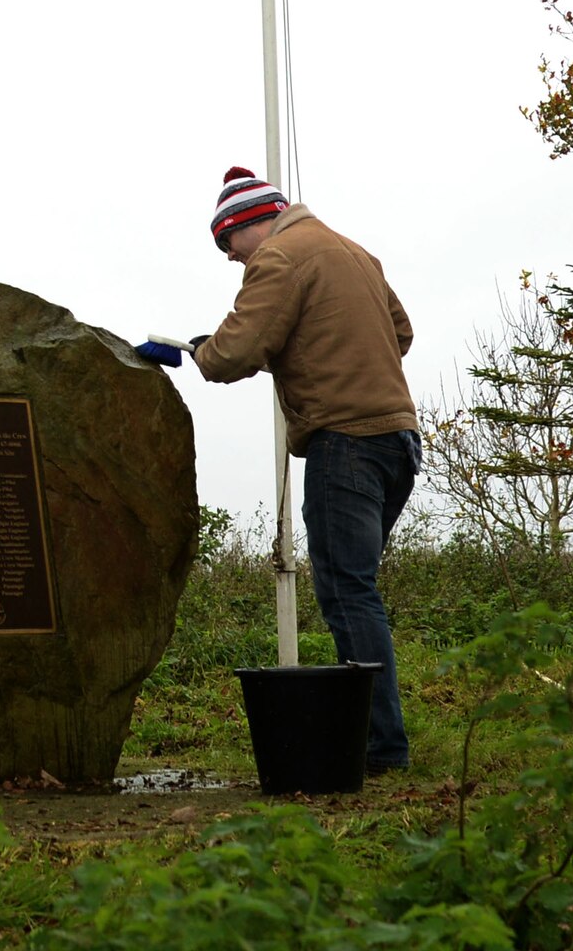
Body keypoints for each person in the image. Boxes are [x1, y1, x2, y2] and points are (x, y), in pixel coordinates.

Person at [181, 167, 421, 775]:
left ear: (247, 225)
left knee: (347, 591)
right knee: (357, 587)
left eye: (227, 245)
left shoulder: (280, 258)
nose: (231, 260)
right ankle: (380, 736)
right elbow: (401, 332)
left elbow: (235, 351)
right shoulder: (354, 252)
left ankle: (380, 747)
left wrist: (197, 350)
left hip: (346, 442)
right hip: (399, 438)